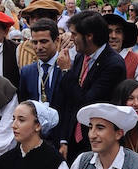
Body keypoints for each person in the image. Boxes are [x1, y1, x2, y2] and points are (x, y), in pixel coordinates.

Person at [52, 13, 128, 159]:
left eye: (74, 34)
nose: (71, 38)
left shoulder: (113, 64)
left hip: (98, 143)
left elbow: (86, 102)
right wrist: (64, 140)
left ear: (89, 36)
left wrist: (67, 71)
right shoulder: (81, 57)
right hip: (73, 141)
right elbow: (68, 101)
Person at [18, 19, 63, 106]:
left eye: (44, 41)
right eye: (35, 42)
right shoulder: (27, 72)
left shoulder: (67, 68)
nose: (39, 47)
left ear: (57, 41)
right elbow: (24, 103)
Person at [102, 11, 138, 78]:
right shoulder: (95, 60)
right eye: (109, 32)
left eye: (118, 32)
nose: (113, 36)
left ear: (124, 36)